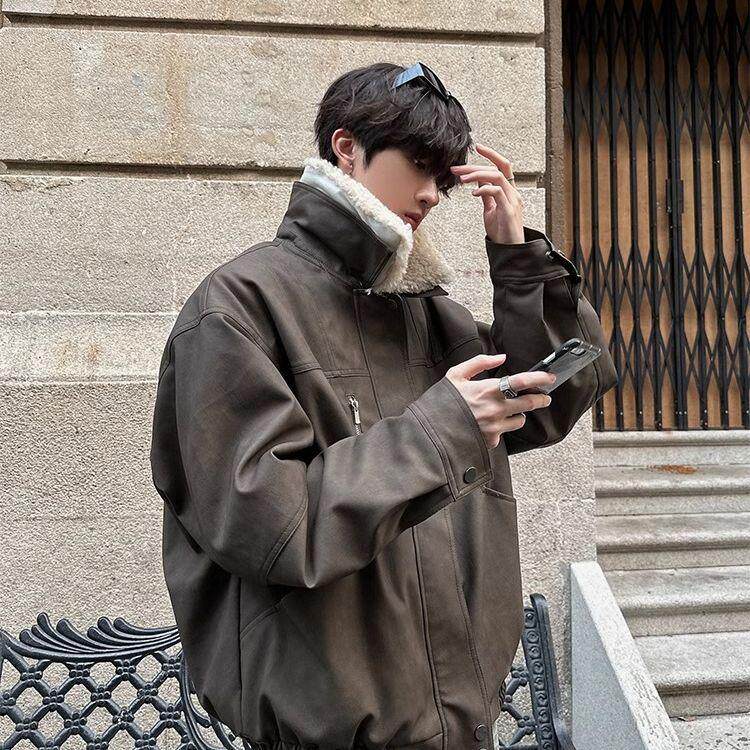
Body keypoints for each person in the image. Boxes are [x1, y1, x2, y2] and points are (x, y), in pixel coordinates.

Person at [149, 61, 618, 749]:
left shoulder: (427, 314)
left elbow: (552, 401)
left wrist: (518, 260)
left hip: (463, 726)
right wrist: (441, 431)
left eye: (443, 179)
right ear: (347, 147)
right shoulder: (239, 307)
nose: (430, 193)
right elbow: (272, 524)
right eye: (419, 163)